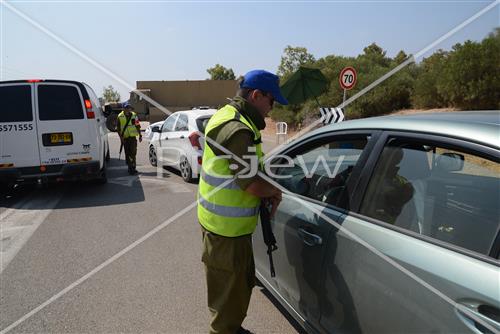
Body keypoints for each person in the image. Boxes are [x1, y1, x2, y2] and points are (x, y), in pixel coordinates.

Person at [198, 70, 288, 334]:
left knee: (234, 291)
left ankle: (232, 328)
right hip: (226, 234)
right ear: (256, 95)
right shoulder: (237, 129)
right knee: (227, 302)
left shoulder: (232, 117)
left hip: (225, 229)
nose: (271, 110)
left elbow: (249, 171)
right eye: (271, 102)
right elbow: (252, 183)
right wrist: (276, 189)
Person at [117, 101, 142, 175]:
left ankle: (133, 167)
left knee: (133, 153)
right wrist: (121, 138)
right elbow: (118, 129)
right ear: (123, 108)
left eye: (129, 107)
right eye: (126, 107)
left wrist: (140, 135)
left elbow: (137, 125)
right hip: (125, 138)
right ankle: (130, 167)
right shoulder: (120, 116)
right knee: (127, 153)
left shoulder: (134, 115)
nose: (128, 109)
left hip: (133, 138)